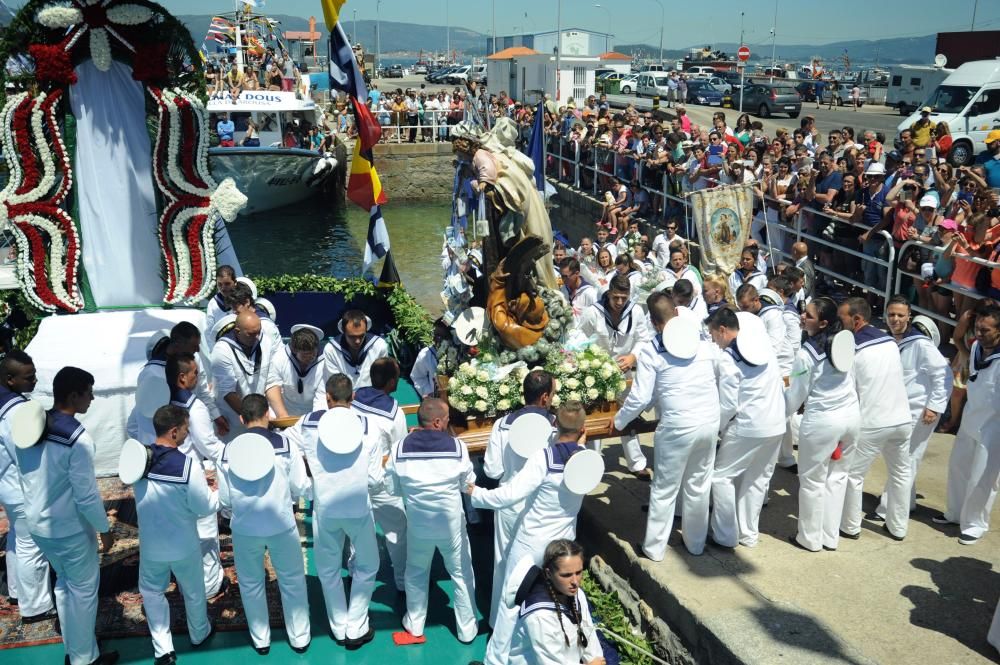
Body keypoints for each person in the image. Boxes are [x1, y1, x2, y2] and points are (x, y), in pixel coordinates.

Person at [468, 401, 589, 665]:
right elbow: (577, 454)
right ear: (583, 428)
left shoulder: (543, 457)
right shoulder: (587, 460)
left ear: (554, 425)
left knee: (511, 601)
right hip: (563, 544)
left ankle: (495, 661)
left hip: (531, 543)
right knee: (563, 599)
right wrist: (581, 443)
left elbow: (511, 494)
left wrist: (477, 494)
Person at [15, 367, 118, 665]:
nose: (93, 398)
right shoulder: (78, 440)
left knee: (63, 584)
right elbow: (86, 495)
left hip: (37, 524)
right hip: (69, 529)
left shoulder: (30, 427)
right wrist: (104, 528)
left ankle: (73, 650)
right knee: (84, 591)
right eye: (89, 392)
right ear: (74, 395)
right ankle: (85, 659)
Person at [614, 293, 720, 559]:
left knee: (664, 489)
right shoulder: (703, 342)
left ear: (652, 320)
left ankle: (654, 549)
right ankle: (695, 544)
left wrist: (619, 421)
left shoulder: (652, 349)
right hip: (709, 420)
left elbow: (640, 396)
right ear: (676, 311)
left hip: (677, 426)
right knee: (698, 485)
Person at [288, 374, 381, 648]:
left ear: (327, 398)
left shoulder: (307, 423)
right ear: (352, 398)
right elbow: (375, 480)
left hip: (325, 508)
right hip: (358, 508)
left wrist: (306, 483)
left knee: (328, 570)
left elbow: (285, 445)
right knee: (367, 566)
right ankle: (356, 625)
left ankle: (340, 627)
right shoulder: (368, 425)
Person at [218, 396, 310, 655]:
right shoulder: (286, 444)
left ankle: (261, 640)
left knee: (250, 584)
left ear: (241, 419)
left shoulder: (227, 451)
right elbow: (300, 487)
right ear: (268, 414)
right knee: (292, 580)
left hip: (245, 528)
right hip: (281, 524)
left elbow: (224, 500)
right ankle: (299, 638)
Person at [387, 398, 478, 644]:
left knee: (416, 573)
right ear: (438, 422)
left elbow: (392, 488)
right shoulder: (458, 448)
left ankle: (415, 626)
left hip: (419, 526)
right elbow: (466, 484)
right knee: (461, 574)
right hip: (451, 527)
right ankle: (467, 630)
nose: (450, 423)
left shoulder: (398, 449)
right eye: (448, 419)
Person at [134, 405, 219, 664]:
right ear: (174, 431)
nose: (187, 432)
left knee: (151, 591)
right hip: (183, 545)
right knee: (193, 590)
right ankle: (199, 633)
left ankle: (163, 649)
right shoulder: (188, 466)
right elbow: (203, 507)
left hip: (150, 545)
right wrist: (215, 493)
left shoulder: (138, 460)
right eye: (185, 428)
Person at [707, 307, 786, 549]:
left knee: (721, 478)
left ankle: (725, 535)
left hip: (748, 426)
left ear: (722, 330)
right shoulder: (766, 348)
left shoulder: (729, 358)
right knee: (757, 479)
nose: (713, 341)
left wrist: (717, 429)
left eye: (712, 335)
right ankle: (748, 534)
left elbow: (728, 404)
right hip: (775, 424)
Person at [784, 298, 859, 552]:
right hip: (850, 417)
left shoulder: (806, 355)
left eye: (809, 315)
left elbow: (795, 395)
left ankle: (810, 538)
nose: (803, 317)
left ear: (824, 323)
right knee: (837, 477)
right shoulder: (846, 341)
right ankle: (830, 537)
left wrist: (778, 414)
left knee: (812, 481)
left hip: (823, 422)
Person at [482, 370, 555, 625]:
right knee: (541, 566)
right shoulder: (555, 426)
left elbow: (492, 470)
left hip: (508, 503)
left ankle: (498, 623)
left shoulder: (501, 425)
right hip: (541, 506)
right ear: (545, 397)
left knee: (503, 564)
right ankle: (535, 622)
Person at [837, 298, 913, 541]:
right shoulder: (890, 340)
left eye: (842, 320)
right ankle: (898, 528)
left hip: (873, 421)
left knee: (852, 475)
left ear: (856, 320)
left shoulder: (852, 348)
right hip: (902, 419)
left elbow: (847, 391)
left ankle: (850, 526)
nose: (840, 325)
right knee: (901, 474)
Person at [874, 298, 952, 520]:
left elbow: (943, 375)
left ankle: (889, 509)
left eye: (900, 315)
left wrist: (934, 408)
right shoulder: (891, 340)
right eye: (891, 315)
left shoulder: (921, 344)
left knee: (905, 459)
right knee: (903, 457)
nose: (895, 319)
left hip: (919, 411)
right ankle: (906, 503)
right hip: (899, 409)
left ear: (909, 316)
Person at [934, 304, 1000, 545]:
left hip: (994, 427)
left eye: (985, 330)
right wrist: (964, 322)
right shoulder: (975, 349)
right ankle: (954, 513)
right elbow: (959, 340)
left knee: (983, 477)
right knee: (958, 467)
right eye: (977, 328)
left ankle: (975, 524)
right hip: (971, 419)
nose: (979, 333)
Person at [575, 274, 651, 478]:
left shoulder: (635, 311)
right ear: (608, 293)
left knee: (627, 414)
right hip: (596, 374)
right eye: (615, 297)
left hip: (624, 371)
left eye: (623, 298)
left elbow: (643, 339)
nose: (619, 302)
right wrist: (591, 361)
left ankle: (636, 462)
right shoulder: (593, 312)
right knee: (595, 418)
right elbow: (579, 340)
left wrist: (633, 356)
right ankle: (592, 464)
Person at [164, 353, 227, 598]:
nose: (198, 377)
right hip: (190, 476)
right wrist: (235, 455)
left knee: (177, 531)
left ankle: (183, 579)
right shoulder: (194, 407)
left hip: (163, 474)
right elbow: (209, 446)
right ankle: (210, 586)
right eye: (195, 373)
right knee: (206, 534)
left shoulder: (158, 401)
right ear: (182, 378)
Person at [0, 351, 54, 622]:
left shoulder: (5, 403)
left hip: (6, 486)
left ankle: (17, 591)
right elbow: (24, 451)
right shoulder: (16, 411)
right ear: (10, 379)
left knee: (17, 540)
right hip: (19, 488)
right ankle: (36, 607)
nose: (34, 381)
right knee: (31, 545)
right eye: (28, 377)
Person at [351, 357, 408, 592]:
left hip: (353, 477)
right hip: (382, 480)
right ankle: (403, 581)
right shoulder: (395, 413)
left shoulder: (352, 400)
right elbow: (399, 449)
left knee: (357, 531)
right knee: (397, 530)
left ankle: (355, 573)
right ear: (392, 381)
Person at [506, 540, 605, 665]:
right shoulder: (539, 616)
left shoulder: (577, 594)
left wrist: (595, 660)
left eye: (579, 572)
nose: (575, 581)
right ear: (548, 573)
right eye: (566, 575)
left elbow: (589, 634)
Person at [211, 310, 288, 438]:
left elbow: (271, 381)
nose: (257, 337)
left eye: (259, 332)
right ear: (237, 332)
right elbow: (228, 392)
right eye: (251, 334)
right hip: (233, 420)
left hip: (261, 417)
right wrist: (254, 420)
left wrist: (282, 415)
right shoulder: (221, 350)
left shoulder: (265, 341)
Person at [319, 310, 389, 389]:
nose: (357, 341)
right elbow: (335, 387)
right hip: (342, 398)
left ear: (366, 330)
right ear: (343, 332)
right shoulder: (330, 350)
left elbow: (382, 383)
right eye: (352, 337)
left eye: (361, 336)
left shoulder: (380, 346)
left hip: (373, 398)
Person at [274, 325, 325, 417]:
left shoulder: (326, 362)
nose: (310, 357)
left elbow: (322, 396)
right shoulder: (279, 358)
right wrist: (283, 417)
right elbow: (272, 386)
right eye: (305, 355)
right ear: (294, 350)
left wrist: (315, 419)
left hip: (313, 414)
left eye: (313, 353)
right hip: (285, 414)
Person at [559, 257, 597, 322]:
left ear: (577, 273)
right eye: (562, 276)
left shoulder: (590, 293)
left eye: (566, 277)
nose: (563, 280)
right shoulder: (562, 290)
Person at [205, 265, 236, 334]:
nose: (223, 288)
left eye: (227, 284)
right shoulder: (213, 304)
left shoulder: (242, 299)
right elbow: (209, 331)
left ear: (235, 282)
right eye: (219, 284)